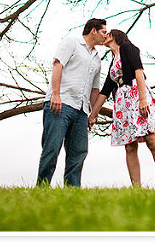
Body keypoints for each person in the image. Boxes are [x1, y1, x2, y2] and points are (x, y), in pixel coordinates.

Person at [89, 29, 155, 188]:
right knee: (129, 145)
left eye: (108, 33)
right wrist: (93, 115)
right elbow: (105, 90)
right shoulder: (113, 60)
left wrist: (142, 100)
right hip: (122, 102)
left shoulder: (128, 48)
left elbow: (139, 72)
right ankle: (136, 189)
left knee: (152, 140)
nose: (105, 36)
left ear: (115, 36)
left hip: (136, 95)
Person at [36, 18, 107, 187]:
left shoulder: (97, 59)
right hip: (61, 103)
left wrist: (93, 114)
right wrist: (56, 95)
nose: (106, 36)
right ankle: (42, 187)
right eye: (104, 32)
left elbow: (94, 90)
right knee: (52, 148)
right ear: (94, 31)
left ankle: (72, 190)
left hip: (81, 111)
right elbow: (57, 65)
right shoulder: (72, 43)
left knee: (79, 152)